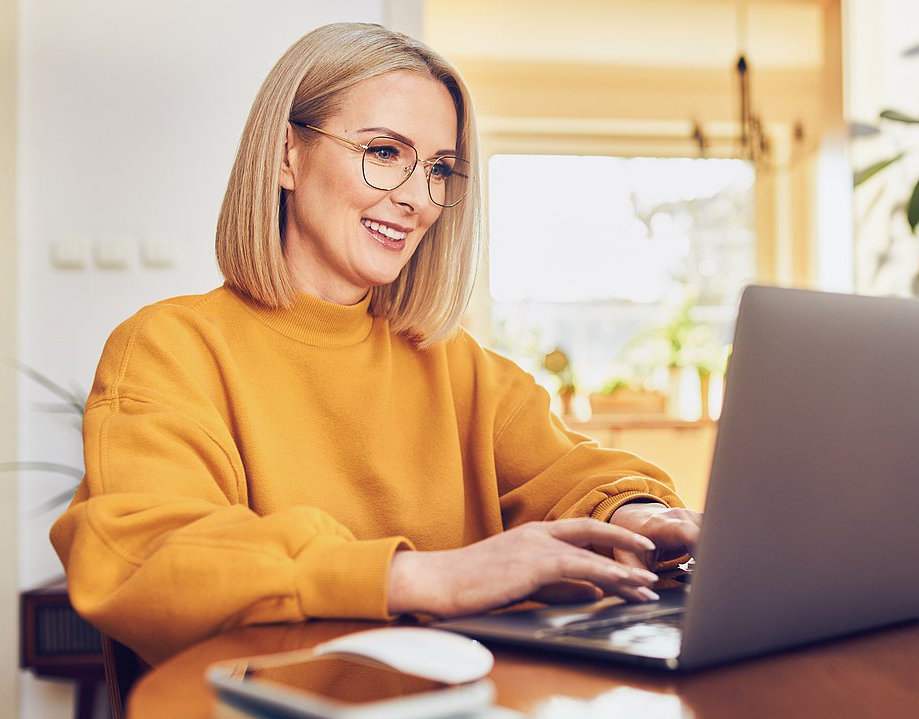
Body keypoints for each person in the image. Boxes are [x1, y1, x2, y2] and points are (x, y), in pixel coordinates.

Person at [50, 22, 702, 665]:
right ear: (286, 155)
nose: (417, 199)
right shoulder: (171, 348)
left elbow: (578, 472)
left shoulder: (453, 362)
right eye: (385, 152)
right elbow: (148, 555)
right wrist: (424, 578)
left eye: (439, 168)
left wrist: (636, 513)